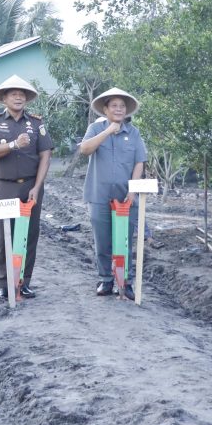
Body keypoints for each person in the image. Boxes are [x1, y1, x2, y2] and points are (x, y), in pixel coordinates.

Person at [0, 75, 53, 300]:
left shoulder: (36, 123)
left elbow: (45, 155)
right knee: (5, 235)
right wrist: (13, 145)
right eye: (14, 93)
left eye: (22, 94)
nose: (18, 97)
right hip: (5, 187)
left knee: (30, 234)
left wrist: (37, 186)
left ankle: (24, 281)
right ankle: (4, 283)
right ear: (4, 98)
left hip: (31, 186)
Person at [79, 88, 147, 299]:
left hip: (126, 196)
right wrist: (109, 130)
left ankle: (124, 281)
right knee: (103, 240)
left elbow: (139, 162)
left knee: (124, 240)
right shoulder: (95, 128)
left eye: (122, 106)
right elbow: (85, 150)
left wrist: (133, 191)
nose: (119, 109)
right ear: (106, 109)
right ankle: (106, 280)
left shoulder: (133, 133)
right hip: (98, 194)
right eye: (114, 106)